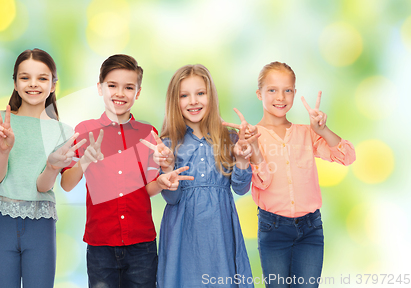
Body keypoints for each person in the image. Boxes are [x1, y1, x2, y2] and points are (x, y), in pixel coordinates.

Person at [60, 54, 192, 288]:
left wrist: (161, 181)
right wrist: (84, 163)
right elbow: (67, 184)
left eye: (128, 87)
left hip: (142, 245)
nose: (120, 93)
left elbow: (148, 188)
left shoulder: (148, 133)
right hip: (101, 245)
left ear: (137, 92)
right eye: (112, 85)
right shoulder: (84, 131)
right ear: (100, 88)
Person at [0, 48, 81, 288]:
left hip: (40, 224)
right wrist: (4, 150)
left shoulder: (63, 132)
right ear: (15, 82)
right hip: (1, 220)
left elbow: (43, 186)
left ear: (53, 85)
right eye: (25, 77)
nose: (33, 84)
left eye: (42, 78)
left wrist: (53, 167)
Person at [251, 61, 356, 288]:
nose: (281, 97)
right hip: (273, 229)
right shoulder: (251, 138)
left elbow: (347, 156)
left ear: (295, 93)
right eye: (272, 90)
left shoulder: (306, 134)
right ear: (259, 94)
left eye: (287, 90)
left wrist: (322, 130)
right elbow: (261, 181)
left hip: (310, 229)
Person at [155, 64, 255, 288]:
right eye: (184, 95)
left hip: (220, 234)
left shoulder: (229, 138)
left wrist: (241, 159)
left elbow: (240, 188)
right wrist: (168, 167)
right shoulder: (169, 144)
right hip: (183, 235)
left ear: (211, 96)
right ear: (175, 101)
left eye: (200, 93)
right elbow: (172, 199)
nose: (193, 101)